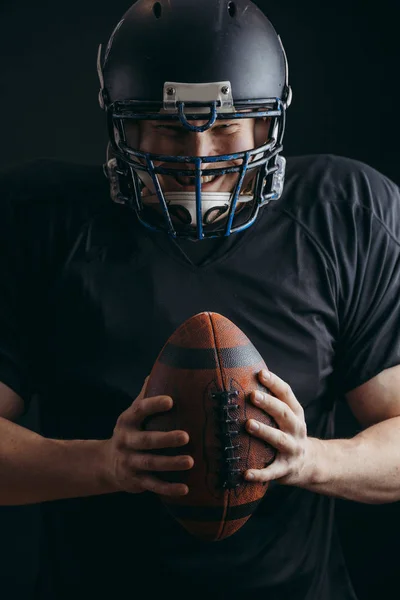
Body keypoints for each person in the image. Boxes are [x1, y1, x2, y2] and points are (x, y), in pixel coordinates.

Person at [0, 0, 399, 599]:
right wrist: (106, 465)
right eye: (168, 127)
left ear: (269, 124)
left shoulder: (344, 216)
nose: (199, 156)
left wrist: (308, 460)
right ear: (121, 124)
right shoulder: (43, 222)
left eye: (227, 126)